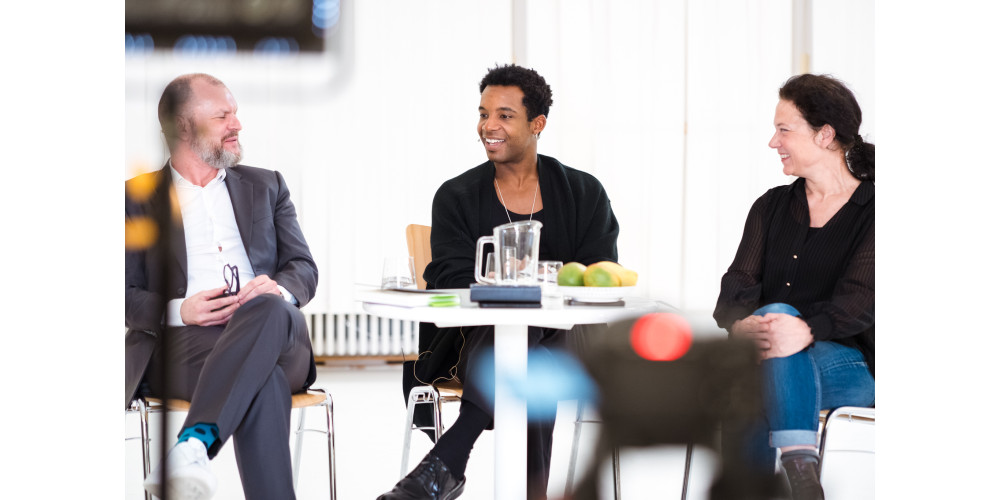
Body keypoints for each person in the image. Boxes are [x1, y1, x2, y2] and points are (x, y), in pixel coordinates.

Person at [378, 64, 619, 500]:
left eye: (505, 115)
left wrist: (535, 282)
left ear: (537, 124)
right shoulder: (456, 195)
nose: (489, 125)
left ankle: (448, 461)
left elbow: (598, 274)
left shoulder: (584, 193)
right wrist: (505, 284)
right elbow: (446, 275)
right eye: (484, 113)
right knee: (525, 346)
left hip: (573, 341)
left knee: (532, 336)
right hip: (476, 340)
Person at [125, 73, 319, 500]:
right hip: (186, 344)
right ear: (183, 127)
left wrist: (278, 290)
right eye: (222, 116)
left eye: (236, 113)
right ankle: (193, 448)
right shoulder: (134, 199)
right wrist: (180, 309)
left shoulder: (267, 185)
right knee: (263, 381)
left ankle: (193, 443)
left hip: (278, 333)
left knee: (268, 308)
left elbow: (303, 268)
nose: (237, 124)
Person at [713, 73, 875, 500]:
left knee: (752, 370)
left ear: (825, 135)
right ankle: (802, 473)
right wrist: (742, 325)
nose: (773, 142)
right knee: (758, 371)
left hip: (852, 366)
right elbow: (736, 286)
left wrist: (801, 329)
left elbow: (861, 300)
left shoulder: (876, 209)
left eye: (784, 130)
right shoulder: (771, 207)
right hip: (767, 358)